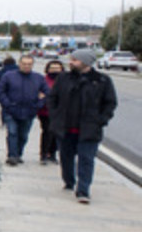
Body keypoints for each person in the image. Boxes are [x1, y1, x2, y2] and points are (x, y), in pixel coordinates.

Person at [47, 49, 117, 203]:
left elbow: (110, 103)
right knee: (66, 158)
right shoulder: (63, 78)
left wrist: (101, 120)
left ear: (85, 62)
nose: (71, 62)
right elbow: (52, 98)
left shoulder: (102, 81)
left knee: (86, 159)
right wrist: (55, 116)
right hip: (65, 128)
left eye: (75, 60)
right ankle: (69, 181)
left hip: (89, 129)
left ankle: (83, 190)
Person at [0, 54, 48, 166]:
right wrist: (7, 104)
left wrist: (38, 105)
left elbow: (46, 93)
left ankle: (18, 153)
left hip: (29, 111)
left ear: (32, 65)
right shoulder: (8, 76)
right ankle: (12, 156)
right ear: (19, 64)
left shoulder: (39, 78)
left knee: (23, 135)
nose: (26, 66)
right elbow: (0, 91)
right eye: (24, 64)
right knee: (12, 132)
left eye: (29, 64)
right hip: (11, 110)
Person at [36, 60, 63, 163]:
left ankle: (52, 153)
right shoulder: (43, 81)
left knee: (57, 133)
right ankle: (44, 154)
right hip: (45, 112)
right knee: (47, 132)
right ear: (48, 69)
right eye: (52, 68)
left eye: (57, 68)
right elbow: (39, 94)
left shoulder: (65, 81)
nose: (55, 70)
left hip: (60, 112)